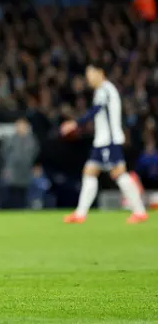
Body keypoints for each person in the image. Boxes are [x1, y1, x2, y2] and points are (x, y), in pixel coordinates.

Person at [61, 62, 148, 224]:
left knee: (118, 174)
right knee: (89, 171)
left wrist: (75, 123)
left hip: (109, 141)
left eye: (90, 74)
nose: (89, 78)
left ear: (100, 72)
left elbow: (96, 110)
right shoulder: (105, 90)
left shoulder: (105, 90)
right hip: (102, 141)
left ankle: (140, 211)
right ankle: (80, 214)